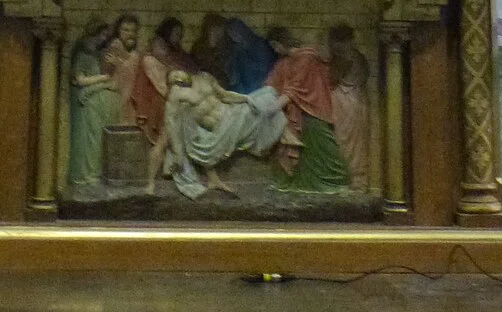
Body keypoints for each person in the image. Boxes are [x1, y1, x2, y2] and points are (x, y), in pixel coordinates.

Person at [151, 69, 287, 199]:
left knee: (266, 95)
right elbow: (170, 121)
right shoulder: (176, 96)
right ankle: (284, 133)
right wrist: (177, 154)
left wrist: (246, 99)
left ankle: (286, 133)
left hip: (230, 113)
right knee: (264, 104)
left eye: (177, 74)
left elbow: (224, 95)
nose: (177, 78)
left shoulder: (204, 78)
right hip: (219, 128)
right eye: (173, 80)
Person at [265, 26, 350, 192]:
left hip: (314, 110)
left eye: (275, 46)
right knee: (287, 148)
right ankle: (293, 184)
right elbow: (271, 83)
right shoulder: (285, 62)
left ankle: (336, 183)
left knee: (325, 148)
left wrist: (273, 108)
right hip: (295, 114)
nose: (275, 50)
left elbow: (294, 89)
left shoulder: (307, 57)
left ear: (280, 43)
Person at [67, 20, 120, 187]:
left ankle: (94, 173)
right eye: (102, 34)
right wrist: (103, 79)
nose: (104, 38)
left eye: (106, 35)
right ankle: (85, 175)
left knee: (95, 138)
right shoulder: (83, 54)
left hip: (95, 103)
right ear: (94, 33)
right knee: (88, 139)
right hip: (85, 104)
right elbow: (79, 79)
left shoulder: (95, 54)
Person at [131, 17, 196, 146]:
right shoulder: (150, 59)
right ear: (167, 34)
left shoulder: (177, 54)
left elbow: (192, 71)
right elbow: (162, 88)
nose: (179, 38)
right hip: (160, 102)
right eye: (176, 34)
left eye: (180, 35)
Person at [327, 24, 371, 191]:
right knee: (350, 143)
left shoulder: (346, 58)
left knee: (350, 143)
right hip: (354, 102)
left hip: (346, 103)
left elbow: (332, 78)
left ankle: (356, 181)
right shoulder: (356, 57)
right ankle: (354, 180)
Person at [102, 12, 141, 124]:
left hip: (130, 95)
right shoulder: (115, 46)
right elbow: (107, 72)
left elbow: (135, 71)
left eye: (133, 31)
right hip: (116, 93)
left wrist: (119, 63)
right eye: (126, 30)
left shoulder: (134, 53)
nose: (130, 34)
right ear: (118, 31)